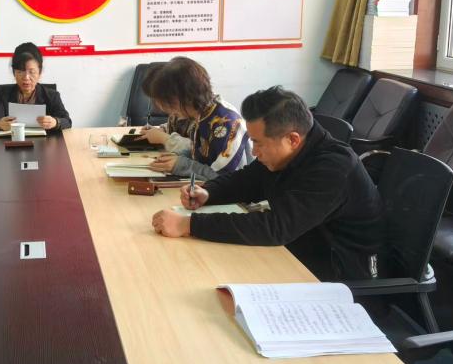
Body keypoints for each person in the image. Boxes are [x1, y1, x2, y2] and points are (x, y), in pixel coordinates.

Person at [150, 86, 385, 281]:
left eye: (258, 143)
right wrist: (209, 192)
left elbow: (276, 227)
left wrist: (188, 225)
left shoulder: (334, 168)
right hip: (298, 253)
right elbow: (249, 179)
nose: (254, 151)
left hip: (340, 274)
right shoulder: (292, 150)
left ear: (292, 139)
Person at [137, 57, 251, 180]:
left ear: (185, 97)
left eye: (167, 101)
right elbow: (197, 154)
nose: (162, 108)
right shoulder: (198, 113)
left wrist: (180, 165)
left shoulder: (226, 123)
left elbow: (223, 177)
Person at [0, 42, 72, 131]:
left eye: (32, 72)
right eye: (20, 72)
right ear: (14, 73)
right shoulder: (4, 93)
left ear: (39, 73)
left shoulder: (52, 95)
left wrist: (55, 122)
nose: (26, 77)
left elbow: (67, 121)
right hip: (12, 139)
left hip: (44, 140)